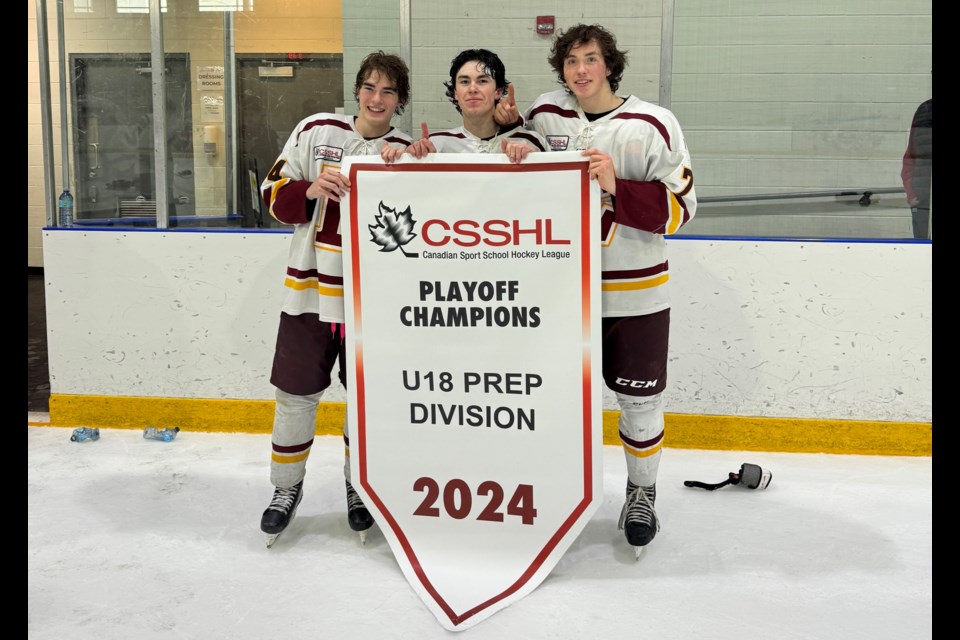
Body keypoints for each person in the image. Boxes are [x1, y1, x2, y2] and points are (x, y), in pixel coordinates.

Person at [495, 24, 698, 556]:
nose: (580, 71)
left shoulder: (652, 123)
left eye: (590, 59)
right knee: (556, 401)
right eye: (570, 62)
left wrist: (618, 186)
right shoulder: (547, 113)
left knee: (639, 401)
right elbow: (522, 156)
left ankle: (641, 492)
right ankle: (558, 493)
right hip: (561, 297)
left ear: (610, 64)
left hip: (636, 295)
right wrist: (511, 129)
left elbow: (682, 209)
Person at [258, 51, 414, 548]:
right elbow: (273, 195)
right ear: (358, 91)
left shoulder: (407, 149)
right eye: (370, 87)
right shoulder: (316, 130)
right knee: (295, 396)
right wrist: (308, 188)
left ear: (400, 102)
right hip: (309, 292)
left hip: (371, 302)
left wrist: (410, 167)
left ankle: (358, 484)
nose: (376, 98)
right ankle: (286, 489)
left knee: (366, 401)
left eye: (388, 91)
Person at [383, 48, 546, 163]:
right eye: (464, 81)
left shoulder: (530, 141)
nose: (472, 89)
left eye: (482, 81)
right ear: (455, 92)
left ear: (498, 91)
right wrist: (409, 160)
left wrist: (533, 161)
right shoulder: (435, 144)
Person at [900, 98, 932, 240]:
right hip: (923, 198)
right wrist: (912, 193)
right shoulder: (925, 110)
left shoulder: (924, 109)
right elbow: (910, 157)